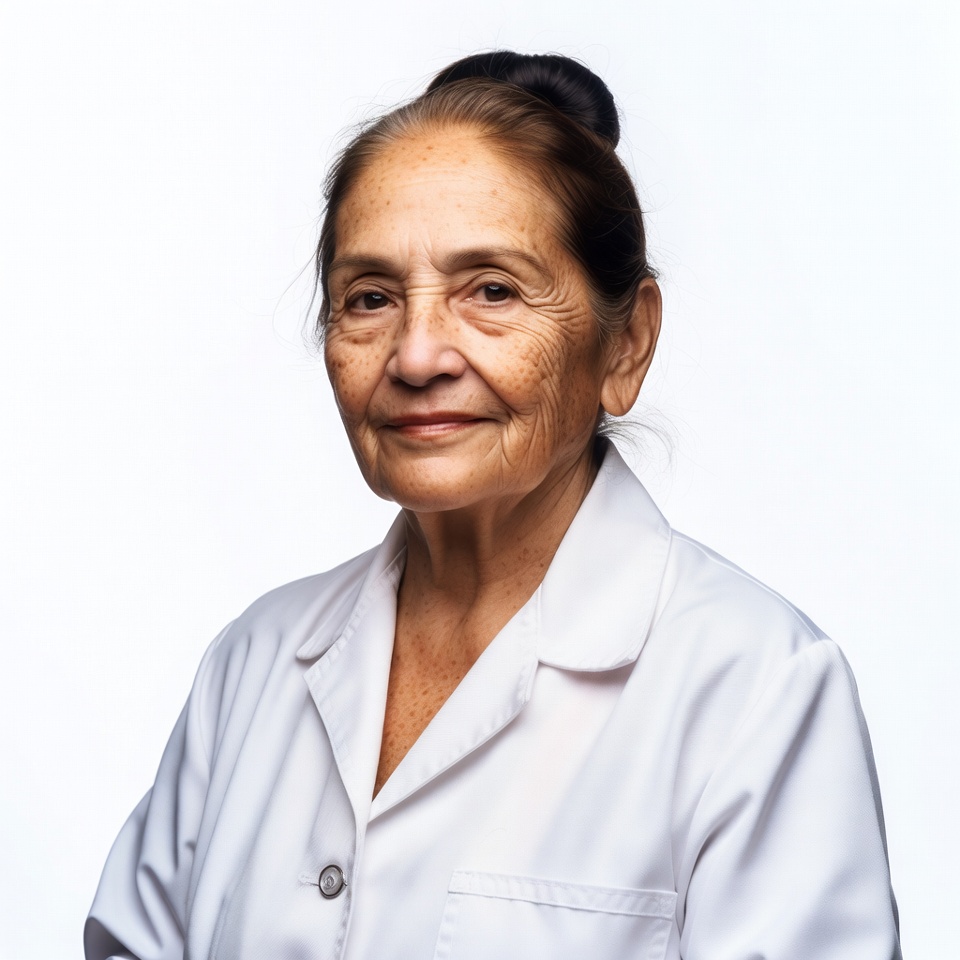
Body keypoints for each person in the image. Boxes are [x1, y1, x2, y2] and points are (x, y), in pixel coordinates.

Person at [85, 51, 901, 960]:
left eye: (492, 291)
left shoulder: (755, 686)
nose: (416, 356)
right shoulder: (255, 662)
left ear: (626, 344)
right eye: (370, 298)